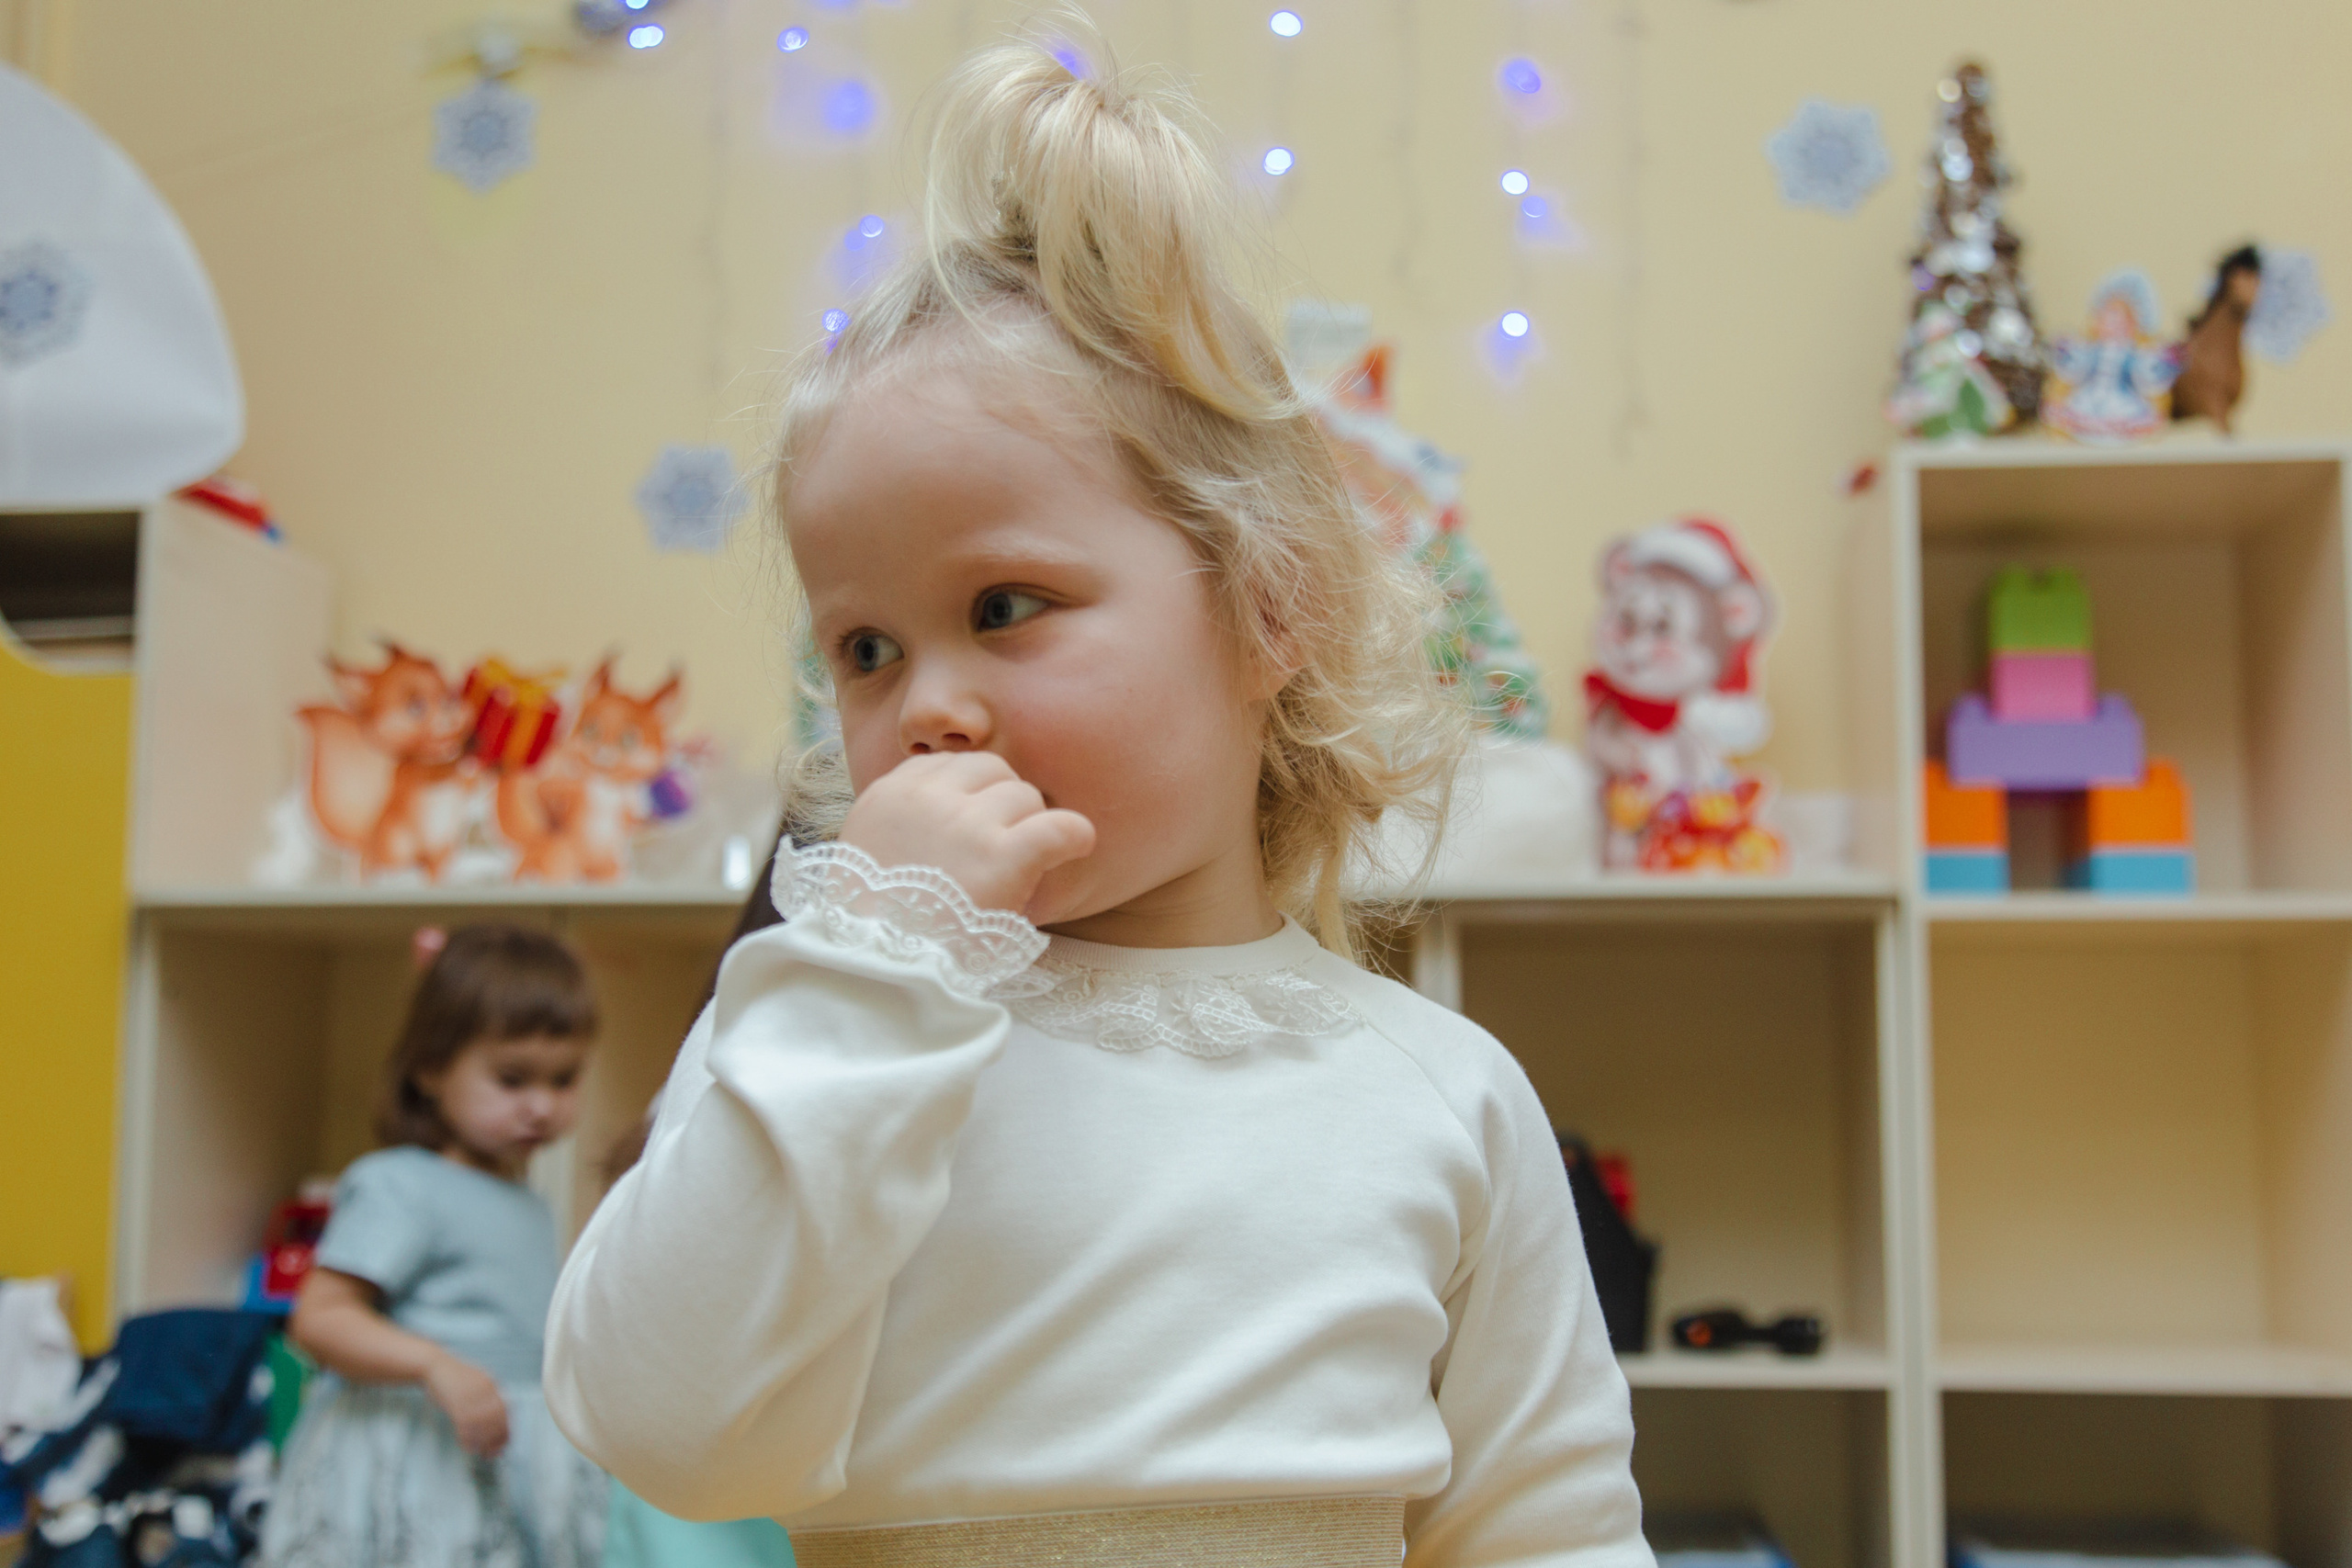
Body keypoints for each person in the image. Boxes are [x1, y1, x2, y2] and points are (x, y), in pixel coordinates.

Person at [546, 23, 1649, 1568]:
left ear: (1269, 612)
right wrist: (873, 962)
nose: (923, 701)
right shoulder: (825, 1019)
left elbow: (1548, 1529)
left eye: (1005, 605)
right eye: (864, 647)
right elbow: (655, 1425)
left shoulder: (1441, 1091)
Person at [261, 924, 608, 1568]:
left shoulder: (528, 1200)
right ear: (430, 1067)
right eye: (512, 1078)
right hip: (415, 1454)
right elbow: (320, 1316)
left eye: (563, 1080)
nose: (541, 1105)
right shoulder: (402, 1184)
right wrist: (435, 1365)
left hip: (497, 1457)